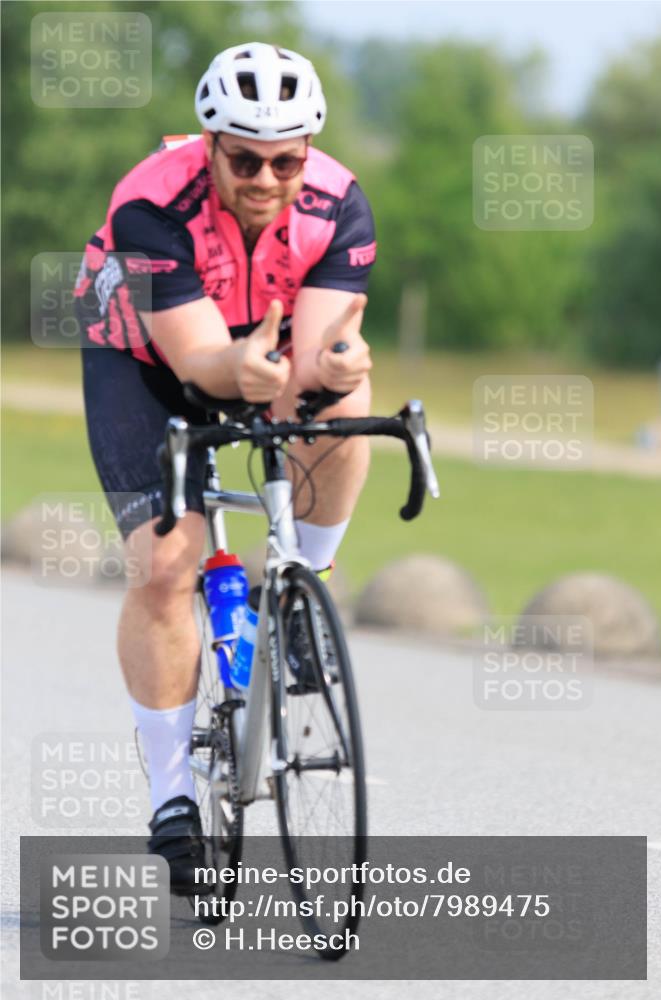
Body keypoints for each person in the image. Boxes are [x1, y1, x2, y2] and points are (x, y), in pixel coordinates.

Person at [75, 42, 376, 892]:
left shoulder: (338, 202)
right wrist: (235, 372)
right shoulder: (150, 204)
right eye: (243, 158)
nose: (265, 177)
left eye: (286, 159)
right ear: (209, 144)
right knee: (169, 565)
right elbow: (201, 360)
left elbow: (318, 349)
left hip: (261, 344)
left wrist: (335, 367)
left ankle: (299, 598)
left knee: (347, 401)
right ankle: (172, 797)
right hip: (146, 363)